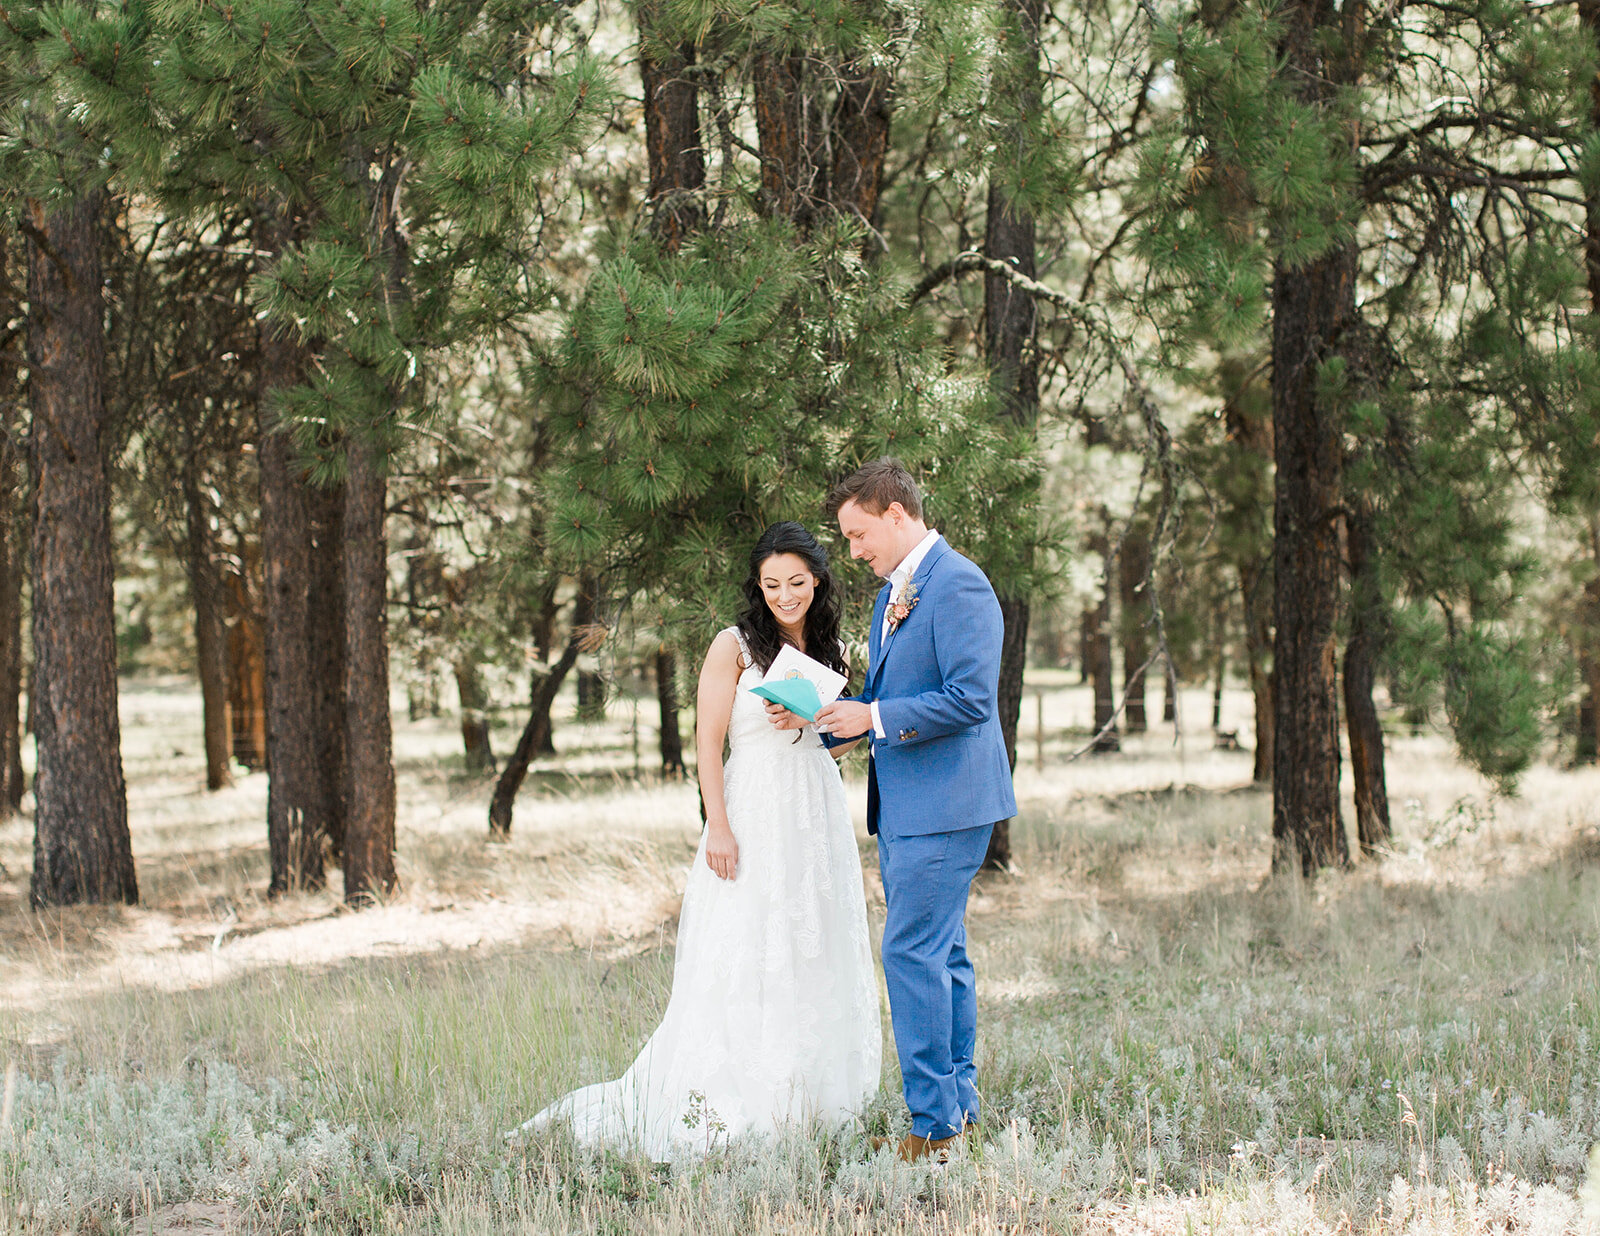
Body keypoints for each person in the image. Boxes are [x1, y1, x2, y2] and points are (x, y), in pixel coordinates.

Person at [510, 522, 881, 1159]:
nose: (784, 596)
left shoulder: (834, 650)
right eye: (770, 584)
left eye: (796, 582)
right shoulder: (732, 645)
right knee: (746, 945)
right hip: (753, 805)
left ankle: (812, 1098)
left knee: (810, 940)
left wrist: (819, 719)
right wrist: (720, 827)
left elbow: (836, 742)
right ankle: (737, 1096)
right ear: (757, 586)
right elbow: (709, 744)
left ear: (817, 580)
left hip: (813, 809)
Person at [768, 458, 1015, 1164]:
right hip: (913, 801)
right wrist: (843, 723)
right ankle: (956, 1111)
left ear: (897, 515)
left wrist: (872, 715)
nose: (852, 551)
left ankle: (932, 1128)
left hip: (945, 803)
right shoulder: (894, 594)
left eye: (858, 534)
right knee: (944, 957)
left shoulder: (959, 584)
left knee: (911, 954)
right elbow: (898, 696)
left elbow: (970, 699)